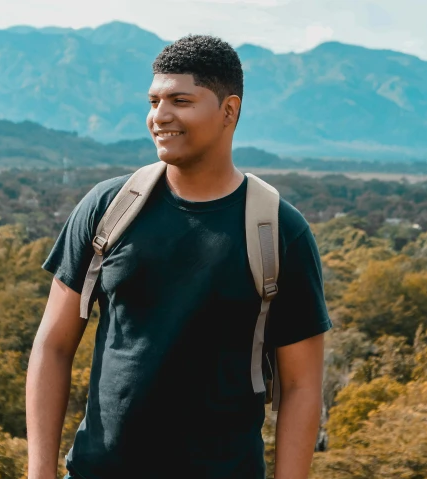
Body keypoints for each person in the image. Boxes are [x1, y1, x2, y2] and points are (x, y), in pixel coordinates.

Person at [25, 34, 331, 479]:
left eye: (181, 100)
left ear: (229, 111)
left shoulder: (279, 230)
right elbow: (53, 346)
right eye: (154, 100)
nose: (160, 116)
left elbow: (302, 386)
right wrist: (39, 471)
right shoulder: (108, 209)